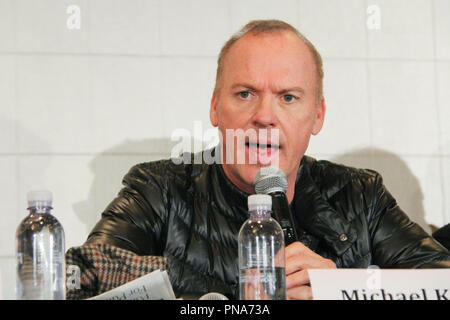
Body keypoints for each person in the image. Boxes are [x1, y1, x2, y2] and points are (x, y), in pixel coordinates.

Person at [66, 19, 450, 300]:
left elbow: (442, 283)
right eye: (246, 93)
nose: (264, 116)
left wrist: (342, 288)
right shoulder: (160, 189)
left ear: (317, 116)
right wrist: (227, 301)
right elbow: (79, 280)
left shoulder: (360, 194)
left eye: (288, 97)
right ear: (216, 107)